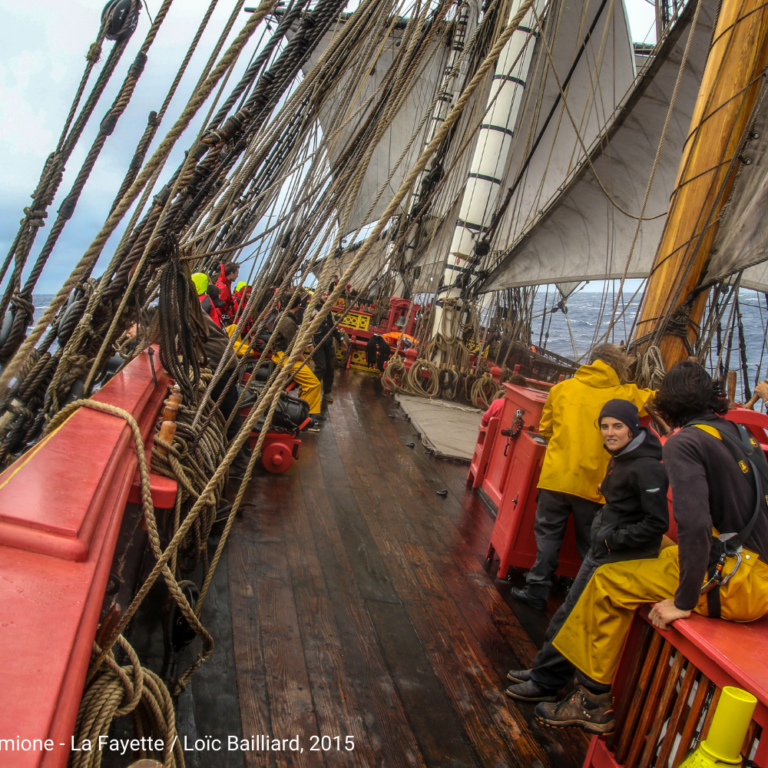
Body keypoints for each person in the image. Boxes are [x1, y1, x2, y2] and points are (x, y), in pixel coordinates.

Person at [530, 362, 768, 733]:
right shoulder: (736, 431)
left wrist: (684, 601)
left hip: (736, 583)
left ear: (667, 405)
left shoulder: (686, 442)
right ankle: (551, 673)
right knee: (654, 548)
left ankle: (592, 700)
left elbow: (695, 524)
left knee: (607, 580)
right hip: (753, 568)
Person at [505, 399, 668, 723]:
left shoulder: (647, 466)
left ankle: (545, 683)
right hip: (602, 549)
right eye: (605, 426)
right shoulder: (624, 457)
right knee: (567, 615)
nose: (609, 432)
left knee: (572, 619)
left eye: (617, 426)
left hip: (612, 555)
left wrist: (610, 539)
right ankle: (542, 672)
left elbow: (656, 523)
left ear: (633, 427)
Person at [511, 344, 656, 610]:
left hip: (556, 478)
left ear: (591, 362)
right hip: (596, 486)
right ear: (618, 366)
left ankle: (536, 590)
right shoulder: (625, 395)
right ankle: (581, 602)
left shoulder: (561, 389)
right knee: (590, 547)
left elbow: (547, 429)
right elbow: (655, 401)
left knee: (547, 538)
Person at [272, 301, 323, 428]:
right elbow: (293, 348)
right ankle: (305, 419)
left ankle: (301, 411)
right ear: (298, 306)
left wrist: (312, 323)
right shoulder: (288, 322)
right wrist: (304, 360)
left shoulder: (283, 317)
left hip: (283, 355)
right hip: (286, 357)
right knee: (314, 384)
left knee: (308, 382)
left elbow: (298, 330)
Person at [311, 292, 348, 403]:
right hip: (317, 344)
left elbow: (333, 327)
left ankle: (326, 392)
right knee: (321, 367)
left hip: (328, 344)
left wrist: (341, 340)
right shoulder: (312, 311)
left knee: (330, 369)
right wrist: (309, 346)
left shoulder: (328, 311)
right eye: (323, 294)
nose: (326, 296)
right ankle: (311, 390)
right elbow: (306, 329)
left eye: (327, 294)